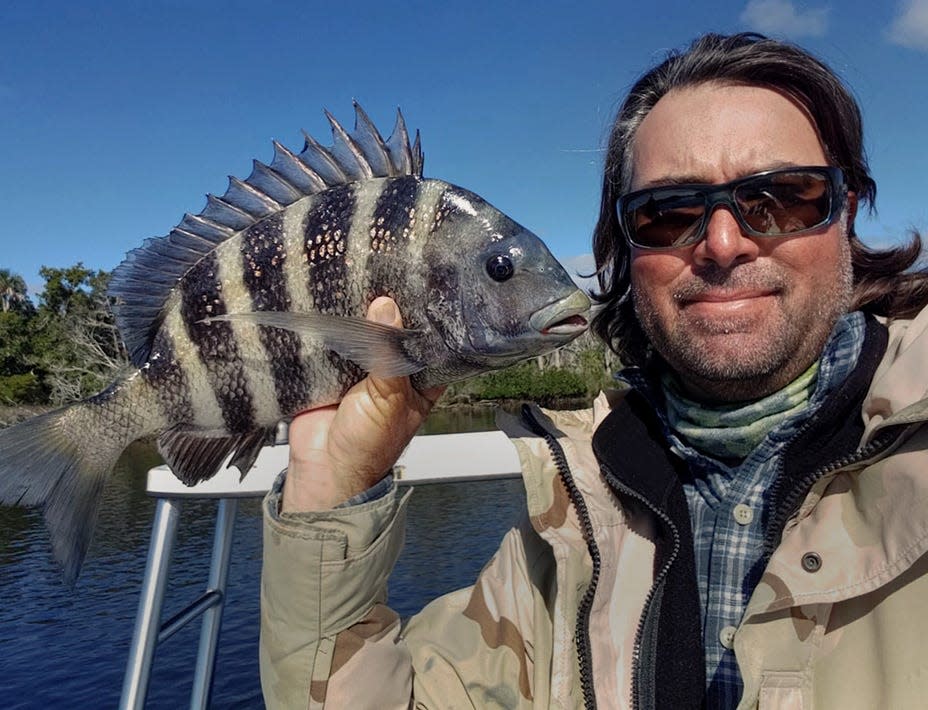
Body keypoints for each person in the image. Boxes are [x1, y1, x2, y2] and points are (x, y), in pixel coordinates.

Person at [259, 32, 928, 709]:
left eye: (782, 198)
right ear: (624, 248)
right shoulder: (564, 532)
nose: (724, 244)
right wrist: (331, 491)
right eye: (669, 213)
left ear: (844, 215)